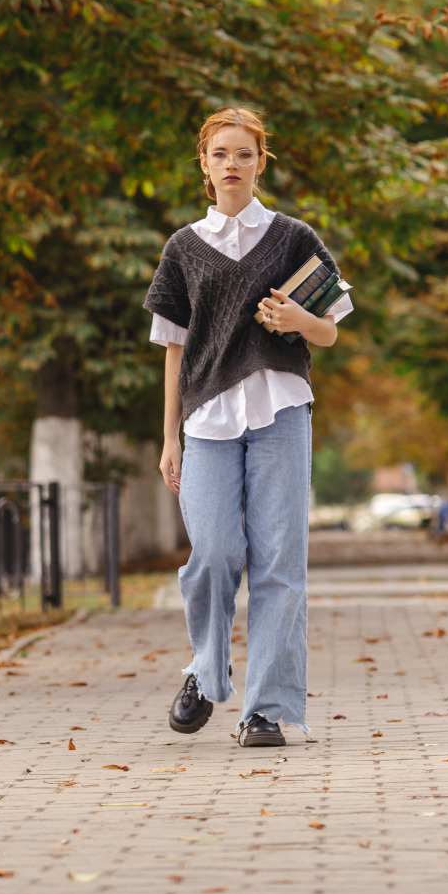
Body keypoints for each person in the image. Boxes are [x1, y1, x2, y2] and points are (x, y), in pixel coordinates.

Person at [142, 106, 351, 748]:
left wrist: (297, 322)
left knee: (280, 563)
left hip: (281, 412)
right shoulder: (182, 248)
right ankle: (205, 672)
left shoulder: (293, 237)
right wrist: (170, 436)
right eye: (221, 154)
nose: (233, 164)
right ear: (204, 165)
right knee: (213, 555)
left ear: (261, 162)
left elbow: (332, 328)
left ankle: (268, 709)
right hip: (206, 420)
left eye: (245, 153)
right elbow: (175, 349)